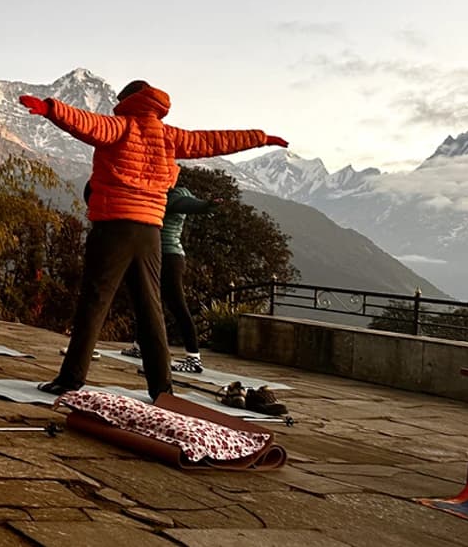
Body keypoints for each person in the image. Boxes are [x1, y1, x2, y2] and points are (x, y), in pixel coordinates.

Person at [18, 80, 287, 399]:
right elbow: (214, 141)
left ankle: (71, 379)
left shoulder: (120, 126)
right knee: (150, 308)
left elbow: (84, 122)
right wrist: (259, 138)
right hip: (150, 233)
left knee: (95, 302)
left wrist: (50, 109)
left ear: (129, 100)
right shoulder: (169, 136)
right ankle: (162, 388)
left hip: (114, 227)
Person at [121, 186, 216, 373]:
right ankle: (140, 346)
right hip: (162, 255)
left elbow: (183, 204)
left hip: (168, 256)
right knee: (148, 300)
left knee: (177, 306)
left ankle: (194, 357)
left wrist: (205, 206)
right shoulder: (182, 192)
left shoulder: (175, 194)